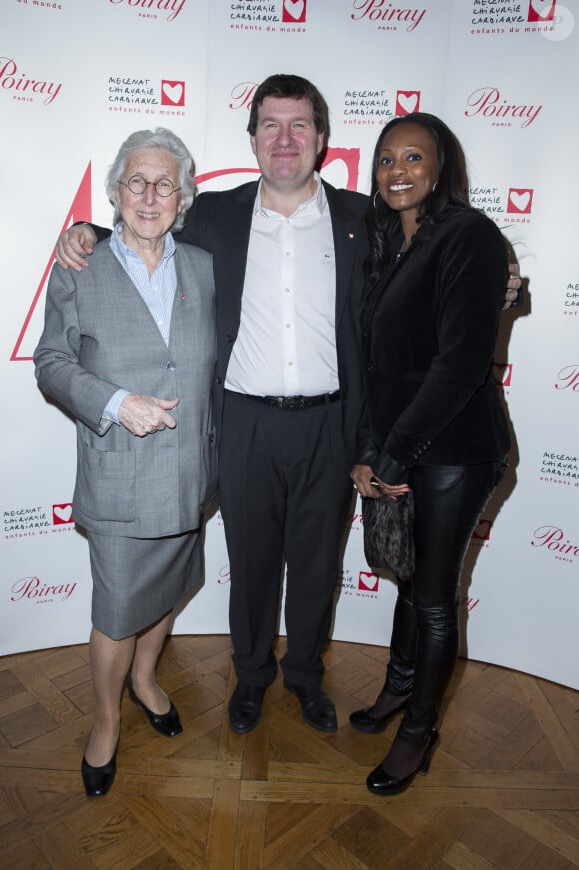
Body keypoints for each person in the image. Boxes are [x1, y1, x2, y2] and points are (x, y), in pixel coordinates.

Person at [54, 75, 521, 738]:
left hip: (332, 422)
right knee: (250, 564)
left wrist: (502, 267)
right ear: (251, 139)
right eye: (270, 125)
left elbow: (441, 245)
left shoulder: (365, 218)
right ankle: (251, 676)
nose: (284, 139)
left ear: (322, 140)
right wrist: (84, 232)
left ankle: (304, 675)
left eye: (299, 125)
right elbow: (143, 222)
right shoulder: (214, 213)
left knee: (316, 565)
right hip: (242, 421)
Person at [34, 128, 217, 797]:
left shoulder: (203, 266)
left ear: (182, 197)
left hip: (191, 471)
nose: (149, 194)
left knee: (172, 585)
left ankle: (145, 679)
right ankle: (106, 719)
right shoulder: (80, 266)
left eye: (164, 183)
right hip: (119, 475)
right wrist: (113, 401)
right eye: (136, 181)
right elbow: (50, 364)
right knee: (116, 611)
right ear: (114, 192)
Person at [350, 113, 512, 796]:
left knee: (436, 599)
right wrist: (371, 450)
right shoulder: (389, 244)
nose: (397, 171)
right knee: (412, 581)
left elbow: (459, 366)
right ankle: (397, 689)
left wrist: (394, 457)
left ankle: (419, 732)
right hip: (404, 446)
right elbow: (378, 368)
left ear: (441, 167)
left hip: (456, 450)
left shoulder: (469, 236)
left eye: (413, 157)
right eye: (386, 159)